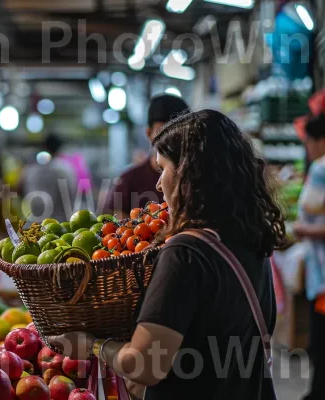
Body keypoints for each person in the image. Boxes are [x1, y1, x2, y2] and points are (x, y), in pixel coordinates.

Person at [49, 110, 287, 399]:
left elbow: (146, 364)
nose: (159, 184)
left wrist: (90, 345)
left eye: (163, 168)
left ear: (189, 172)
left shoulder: (185, 253)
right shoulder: (251, 238)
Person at [105, 94, 189, 217]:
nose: (170, 140)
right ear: (149, 133)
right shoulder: (128, 181)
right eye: (163, 132)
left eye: (177, 132)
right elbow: (119, 231)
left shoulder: (197, 179)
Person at [293, 114, 325, 400]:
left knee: (320, 344)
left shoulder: (321, 168)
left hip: (324, 275)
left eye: (310, 143)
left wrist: (301, 229)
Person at [20, 134, 77, 223]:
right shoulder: (65, 168)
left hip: (32, 222)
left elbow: (20, 188)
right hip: (57, 224)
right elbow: (71, 195)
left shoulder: (31, 168)